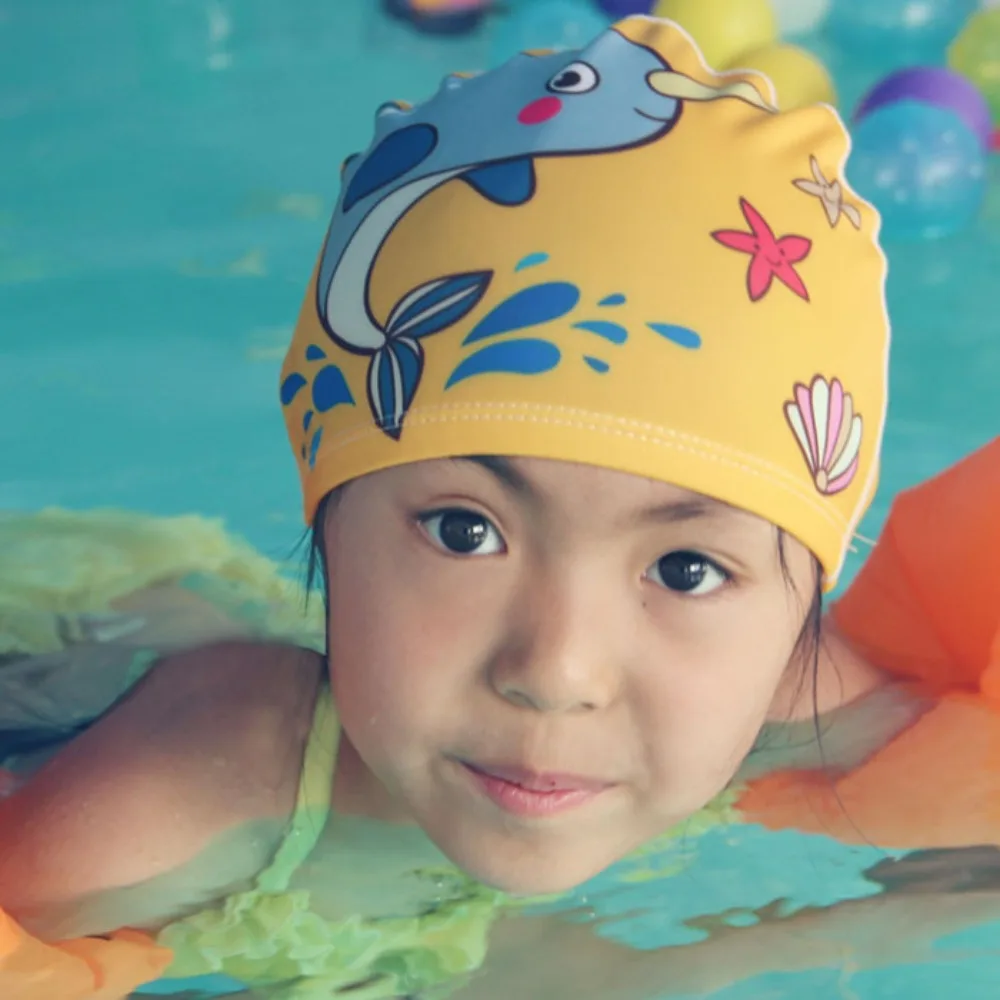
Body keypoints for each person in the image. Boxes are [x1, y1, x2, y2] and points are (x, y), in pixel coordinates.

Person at [1, 13, 998, 1000]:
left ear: (797, 617)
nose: (556, 670)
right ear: (323, 517)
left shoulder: (785, 704)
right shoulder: (176, 806)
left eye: (686, 568)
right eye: (463, 530)